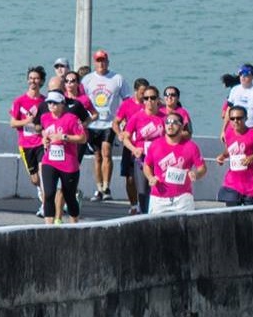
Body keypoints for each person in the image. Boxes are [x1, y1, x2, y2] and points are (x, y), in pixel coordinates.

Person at [80, 50, 129, 202]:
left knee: (106, 151)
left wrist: (124, 119)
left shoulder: (117, 79)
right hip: (92, 123)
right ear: (94, 63)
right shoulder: (87, 80)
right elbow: (81, 100)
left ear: (108, 62)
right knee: (97, 156)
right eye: (98, 61)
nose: (101, 64)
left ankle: (107, 187)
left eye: (103, 61)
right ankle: (99, 188)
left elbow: (126, 99)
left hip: (109, 123)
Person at [115, 88, 168, 213]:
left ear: (158, 100)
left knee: (160, 188)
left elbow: (172, 138)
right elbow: (126, 137)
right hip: (142, 158)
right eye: (146, 98)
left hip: (160, 159)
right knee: (143, 191)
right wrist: (134, 149)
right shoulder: (136, 117)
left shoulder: (165, 117)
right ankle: (144, 215)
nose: (149, 101)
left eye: (153, 98)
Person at [37, 93, 85, 224]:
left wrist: (64, 137)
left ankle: (74, 225)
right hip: (50, 161)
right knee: (49, 194)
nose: (51, 105)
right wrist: (44, 139)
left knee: (69, 197)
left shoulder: (72, 118)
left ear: (62, 104)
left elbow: (83, 138)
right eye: (49, 103)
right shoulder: (45, 117)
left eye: (54, 103)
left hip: (68, 163)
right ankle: (48, 227)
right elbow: (44, 132)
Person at [146, 113, 205, 213]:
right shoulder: (155, 145)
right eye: (167, 122)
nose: (170, 125)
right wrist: (150, 177)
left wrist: (196, 173)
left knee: (186, 228)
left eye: (174, 122)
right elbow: (147, 165)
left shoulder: (191, 147)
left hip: (182, 199)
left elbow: (202, 168)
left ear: (182, 126)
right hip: (158, 199)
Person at [10, 68, 48, 213]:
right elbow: (13, 123)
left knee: (43, 171)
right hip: (25, 145)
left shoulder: (45, 102)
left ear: (42, 81)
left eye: (36, 78)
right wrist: (27, 121)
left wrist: (40, 127)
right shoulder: (19, 101)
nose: (33, 81)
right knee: (35, 179)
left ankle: (46, 205)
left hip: (41, 143)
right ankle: (41, 193)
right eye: (31, 78)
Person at [217, 104, 253, 208]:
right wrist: (223, 156)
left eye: (239, 118)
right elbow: (231, 149)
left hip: (251, 184)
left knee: (250, 218)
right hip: (232, 183)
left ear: (246, 118)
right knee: (232, 216)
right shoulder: (228, 133)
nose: (235, 121)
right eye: (232, 118)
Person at [224, 64, 253, 129]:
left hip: (252, 127)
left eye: (246, 75)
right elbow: (228, 110)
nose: (243, 77)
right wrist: (224, 129)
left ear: (252, 76)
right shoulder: (235, 89)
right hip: (235, 128)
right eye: (241, 74)